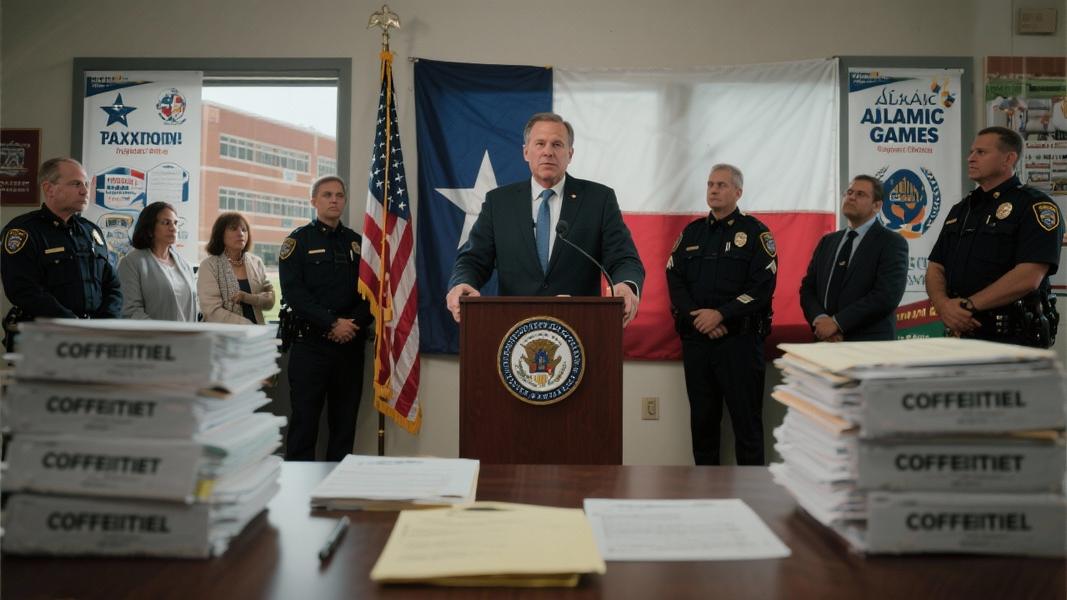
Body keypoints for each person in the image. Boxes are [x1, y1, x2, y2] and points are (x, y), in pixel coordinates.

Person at [446, 112, 645, 326]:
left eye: (557, 144)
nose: (548, 152)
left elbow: (623, 259)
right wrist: (462, 283)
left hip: (579, 327)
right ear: (526, 152)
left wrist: (626, 285)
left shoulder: (599, 200)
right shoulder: (499, 203)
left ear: (570, 154)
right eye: (540, 144)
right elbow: (473, 260)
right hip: (514, 328)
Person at [666, 164, 776, 466]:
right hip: (698, 342)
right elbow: (674, 279)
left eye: (722, 185)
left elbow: (762, 287)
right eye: (710, 184)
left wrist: (721, 315)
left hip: (740, 344)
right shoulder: (692, 233)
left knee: (747, 425)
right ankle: (705, 491)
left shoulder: (756, 233)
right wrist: (699, 318)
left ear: (738, 192)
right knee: (702, 424)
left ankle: (751, 491)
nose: (713, 190)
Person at [927, 126, 1064, 347]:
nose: (970, 158)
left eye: (981, 152)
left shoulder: (1034, 205)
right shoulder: (962, 209)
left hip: (1013, 338)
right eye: (971, 152)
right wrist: (943, 306)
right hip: (962, 333)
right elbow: (936, 266)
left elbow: (1029, 276)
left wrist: (968, 306)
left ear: (1008, 159)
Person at [279, 175, 372, 461]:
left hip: (349, 347)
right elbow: (295, 294)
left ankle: (338, 485)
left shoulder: (357, 243)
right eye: (327, 195)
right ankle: (297, 485)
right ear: (314, 201)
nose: (334, 200)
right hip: (311, 346)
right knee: (304, 423)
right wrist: (332, 323)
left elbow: (371, 294)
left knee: (344, 425)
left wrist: (351, 325)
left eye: (339, 195)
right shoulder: (298, 241)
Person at [1, 157, 122, 349]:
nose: (85, 191)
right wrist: (73, 325)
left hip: (94, 340)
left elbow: (112, 286)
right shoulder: (23, 231)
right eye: (76, 184)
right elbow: (23, 290)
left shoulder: (91, 232)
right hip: (44, 340)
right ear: (49, 189)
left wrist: (104, 325)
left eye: (86, 184)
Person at [799, 175, 908, 342]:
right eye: (849, 192)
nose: (851, 197)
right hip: (824, 341)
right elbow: (808, 289)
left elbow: (886, 296)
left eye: (860, 194)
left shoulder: (891, 242)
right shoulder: (828, 241)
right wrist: (820, 320)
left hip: (868, 344)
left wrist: (837, 323)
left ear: (877, 205)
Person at [117, 201, 198, 321]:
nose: (173, 228)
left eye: (175, 223)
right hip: (153, 333)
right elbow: (131, 312)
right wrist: (163, 331)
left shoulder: (184, 265)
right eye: (166, 223)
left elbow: (193, 309)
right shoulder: (131, 263)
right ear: (150, 229)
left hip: (186, 333)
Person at [198, 212, 275, 324]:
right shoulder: (209, 265)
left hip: (256, 332)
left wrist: (247, 297)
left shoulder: (256, 262)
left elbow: (270, 302)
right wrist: (248, 326)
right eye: (233, 229)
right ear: (220, 234)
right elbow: (212, 311)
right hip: (223, 334)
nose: (240, 233)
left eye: (244, 230)